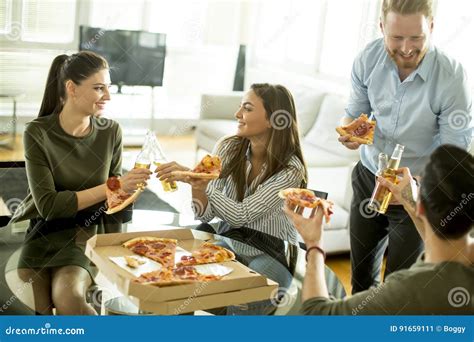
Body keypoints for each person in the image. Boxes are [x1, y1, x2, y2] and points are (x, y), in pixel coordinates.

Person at [338, 0, 472, 293]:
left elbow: (452, 158)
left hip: (418, 189)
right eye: (397, 38)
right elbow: (355, 112)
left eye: (417, 38)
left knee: (400, 286)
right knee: (361, 278)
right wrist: (349, 132)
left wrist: (412, 188)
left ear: (432, 28)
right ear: (382, 27)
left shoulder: (452, 77)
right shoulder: (367, 59)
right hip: (369, 176)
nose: (407, 48)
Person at [9, 51, 150, 315]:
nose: (107, 96)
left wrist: (130, 192)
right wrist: (113, 186)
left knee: (68, 297)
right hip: (43, 232)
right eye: (99, 88)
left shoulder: (110, 132)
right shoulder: (37, 133)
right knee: (33, 309)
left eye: (108, 88)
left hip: (84, 234)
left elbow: (113, 201)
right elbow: (48, 206)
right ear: (71, 88)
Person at [285, 144, 473, 315]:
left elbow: (316, 314)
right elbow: (441, 239)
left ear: (422, 206)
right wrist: (410, 201)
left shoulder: (408, 290)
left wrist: (314, 244)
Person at [156, 83, 307, 244]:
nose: (237, 114)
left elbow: (240, 216)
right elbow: (203, 215)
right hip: (231, 241)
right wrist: (197, 184)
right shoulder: (228, 147)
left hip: (270, 249)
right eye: (240, 107)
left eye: (247, 109)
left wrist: (195, 179)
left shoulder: (291, 170)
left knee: (253, 268)